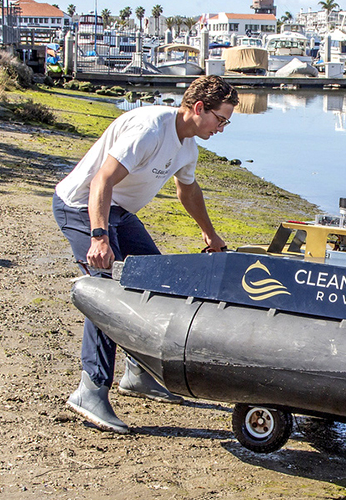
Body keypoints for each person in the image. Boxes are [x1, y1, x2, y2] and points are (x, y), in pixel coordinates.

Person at [53, 75, 239, 434]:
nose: (221, 128)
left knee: (156, 281)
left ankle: (138, 373)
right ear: (200, 108)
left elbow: (188, 191)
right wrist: (99, 238)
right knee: (107, 293)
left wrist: (210, 234)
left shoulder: (188, 147)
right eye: (221, 119)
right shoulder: (150, 129)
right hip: (80, 207)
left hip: (120, 212)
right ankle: (90, 390)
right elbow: (102, 181)